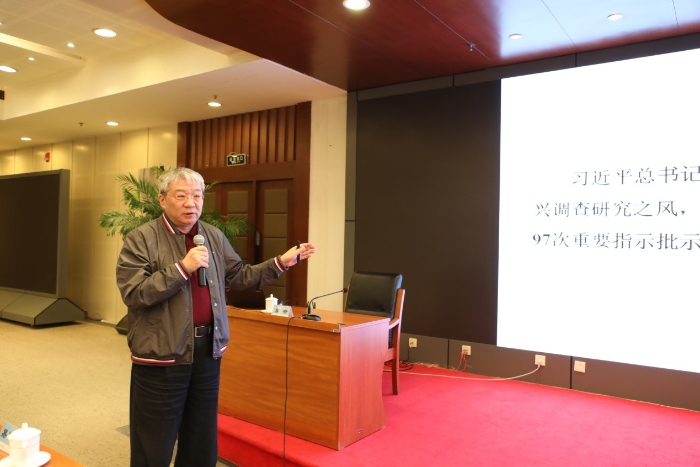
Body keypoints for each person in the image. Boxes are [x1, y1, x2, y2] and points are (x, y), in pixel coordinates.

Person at [116, 167, 315, 467]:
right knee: (154, 443)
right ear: (162, 199)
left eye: (197, 196)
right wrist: (182, 268)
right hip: (162, 354)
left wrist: (281, 262)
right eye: (181, 196)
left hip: (207, 351)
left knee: (201, 439)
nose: (191, 203)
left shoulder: (212, 235)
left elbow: (239, 276)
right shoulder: (141, 238)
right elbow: (135, 292)